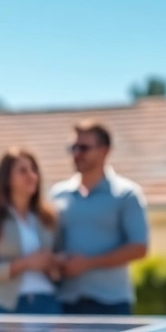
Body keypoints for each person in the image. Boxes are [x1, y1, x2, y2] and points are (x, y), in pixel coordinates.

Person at [50, 120, 149, 315]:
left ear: (104, 151)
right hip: (66, 301)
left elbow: (139, 247)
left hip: (112, 303)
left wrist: (87, 263)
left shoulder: (126, 195)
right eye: (73, 147)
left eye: (84, 148)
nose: (77, 154)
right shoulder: (57, 194)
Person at [0, 148, 61, 314]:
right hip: (6, 306)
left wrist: (54, 265)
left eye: (34, 170)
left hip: (47, 303)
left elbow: (58, 265)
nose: (32, 176)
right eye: (23, 171)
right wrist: (25, 264)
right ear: (6, 178)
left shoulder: (48, 218)